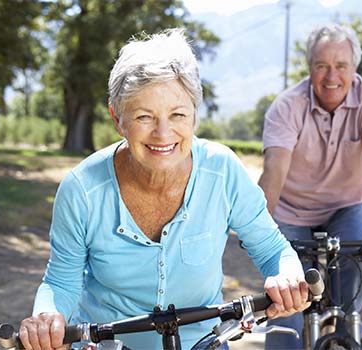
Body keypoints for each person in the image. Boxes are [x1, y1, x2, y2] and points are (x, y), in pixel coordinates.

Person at [19, 29, 311, 350]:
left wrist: (287, 275)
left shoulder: (223, 170)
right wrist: (48, 316)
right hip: (108, 344)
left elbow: (272, 249)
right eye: (144, 116)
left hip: (202, 342)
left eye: (178, 114)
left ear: (195, 117)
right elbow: (62, 280)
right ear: (118, 119)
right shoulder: (82, 190)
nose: (163, 133)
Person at [259, 24, 362, 350]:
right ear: (309, 68)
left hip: (345, 207)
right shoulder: (287, 106)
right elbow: (274, 170)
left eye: (341, 66)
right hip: (292, 210)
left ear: (355, 68)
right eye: (321, 65)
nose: (331, 76)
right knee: (287, 302)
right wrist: (259, 230)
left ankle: (343, 323)